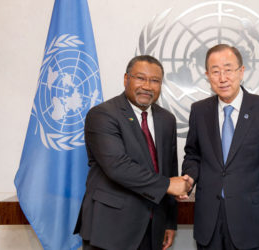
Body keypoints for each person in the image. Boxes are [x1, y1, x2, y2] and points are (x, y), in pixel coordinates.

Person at [74, 55, 192, 250]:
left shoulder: (167, 119)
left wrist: (170, 222)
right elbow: (118, 167)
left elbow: (169, 169)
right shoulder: (102, 114)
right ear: (126, 79)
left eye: (155, 81)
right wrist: (168, 185)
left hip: (153, 228)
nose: (147, 86)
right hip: (111, 228)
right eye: (140, 78)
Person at [180, 44, 259, 250]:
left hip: (250, 218)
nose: (222, 78)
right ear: (207, 75)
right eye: (215, 71)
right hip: (208, 218)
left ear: (241, 72)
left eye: (228, 70)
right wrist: (189, 177)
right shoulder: (199, 111)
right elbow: (193, 154)